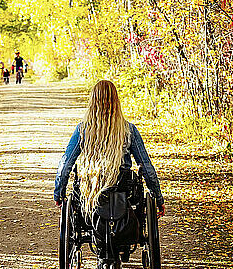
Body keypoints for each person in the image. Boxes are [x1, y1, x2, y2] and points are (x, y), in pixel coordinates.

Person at [54, 79, 164, 215]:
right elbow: (146, 167)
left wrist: (59, 194)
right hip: (123, 187)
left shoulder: (83, 130)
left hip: (91, 185)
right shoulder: (128, 130)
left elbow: (65, 165)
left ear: (93, 102)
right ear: (116, 101)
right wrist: (158, 198)